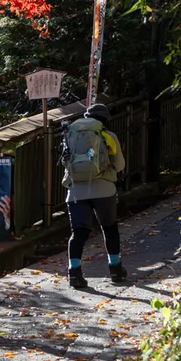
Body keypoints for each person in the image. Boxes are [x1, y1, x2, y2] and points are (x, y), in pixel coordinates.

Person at [63, 102, 126, 288]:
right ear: (105, 119)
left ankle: (74, 273)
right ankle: (115, 270)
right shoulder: (107, 135)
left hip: (75, 191)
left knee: (79, 233)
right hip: (104, 189)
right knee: (109, 228)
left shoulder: (70, 135)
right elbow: (120, 164)